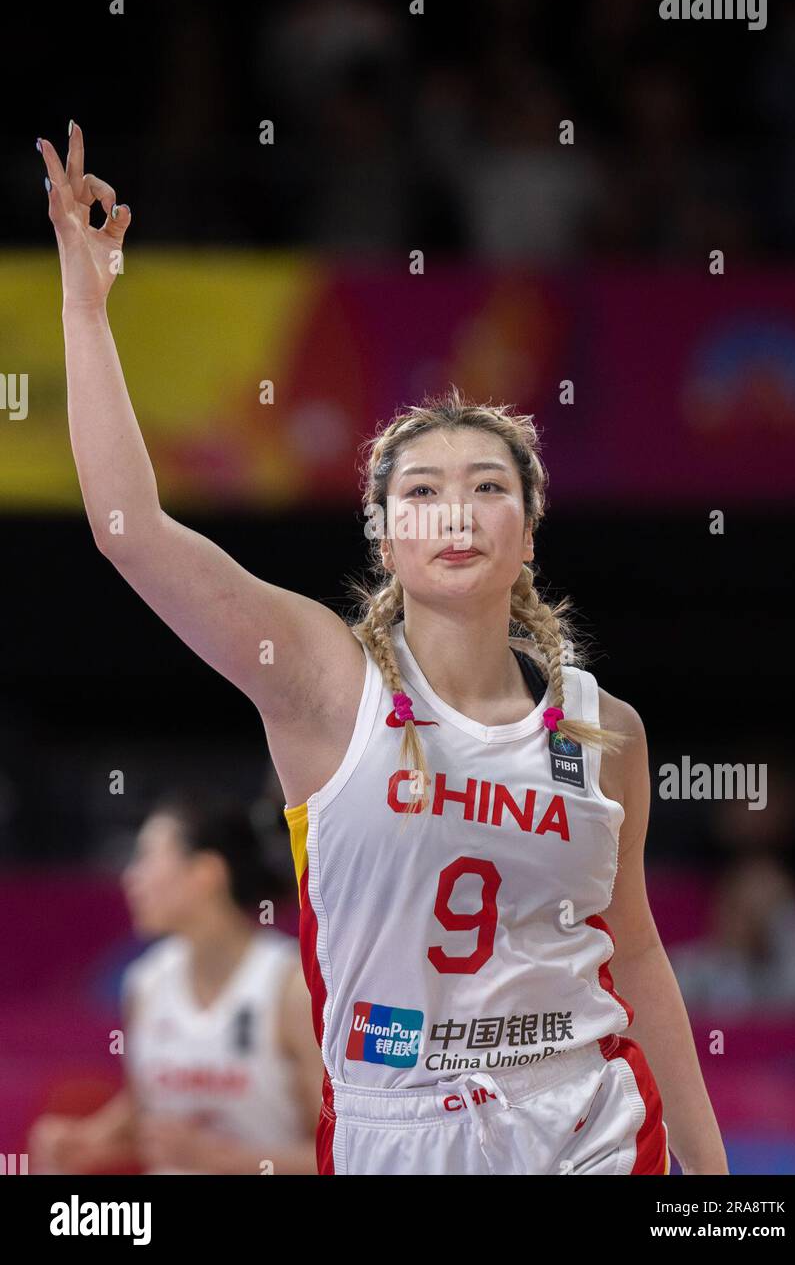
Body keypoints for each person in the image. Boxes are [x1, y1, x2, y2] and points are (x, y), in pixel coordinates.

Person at [38, 122, 728, 1175]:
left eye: (488, 487)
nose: (456, 512)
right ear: (383, 534)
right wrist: (85, 310)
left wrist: (710, 1178)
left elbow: (632, 946)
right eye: (422, 491)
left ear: (527, 531)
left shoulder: (604, 729)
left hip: (586, 1118)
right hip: (390, 1126)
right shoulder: (321, 685)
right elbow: (129, 531)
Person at [28, 790, 323, 1174]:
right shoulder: (145, 983)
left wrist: (221, 1160)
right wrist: (88, 1141)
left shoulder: (290, 987)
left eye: (146, 858)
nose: (130, 877)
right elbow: (149, 1109)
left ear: (206, 872)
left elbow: (344, 1153)